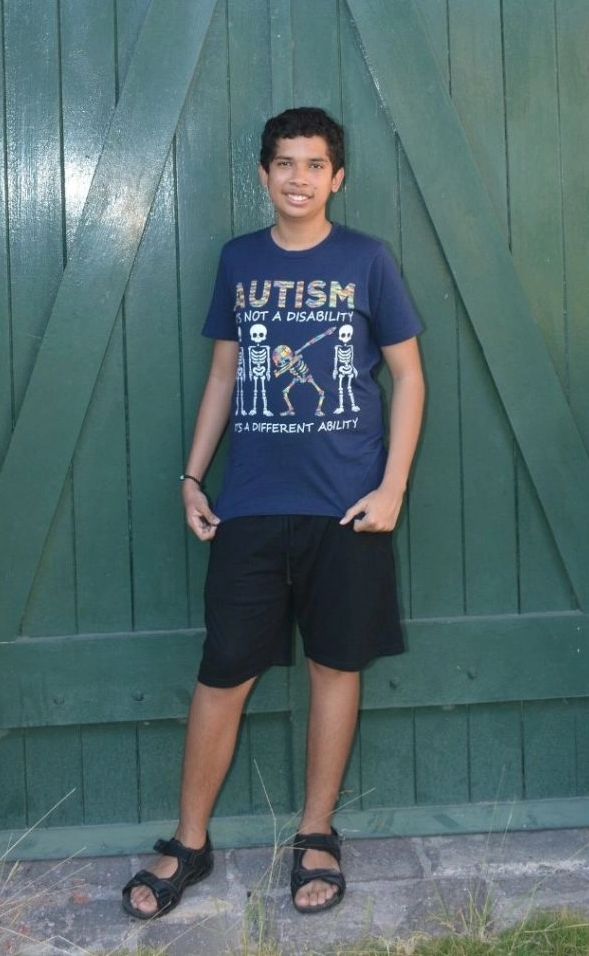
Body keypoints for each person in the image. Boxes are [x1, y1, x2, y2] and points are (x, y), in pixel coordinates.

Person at [123, 106, 426, 922]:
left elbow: (409, 377)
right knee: (224, 673)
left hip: (348, 509)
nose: (299, 177)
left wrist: (392, 485)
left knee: (336, 666)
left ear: (338, 176)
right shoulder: (239, 260)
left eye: (315, 163)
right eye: (284, 163)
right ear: (263, 175)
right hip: (252, 507)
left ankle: (316, 831)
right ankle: (190, 839)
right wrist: (192, 475)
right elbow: (223, 376)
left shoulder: (367, 259)